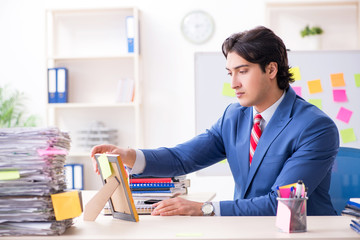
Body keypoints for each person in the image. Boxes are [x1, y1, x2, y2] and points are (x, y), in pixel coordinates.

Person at [91, 26, 339, 216]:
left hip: (300, 234)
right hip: (248, 230)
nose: (234, 84)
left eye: (243, 71)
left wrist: (204, 209)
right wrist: (129, 155)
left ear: (271, 70)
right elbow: (182, 158)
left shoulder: (315, 127)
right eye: (230, 73)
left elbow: (282, 203)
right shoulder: (234, 117)